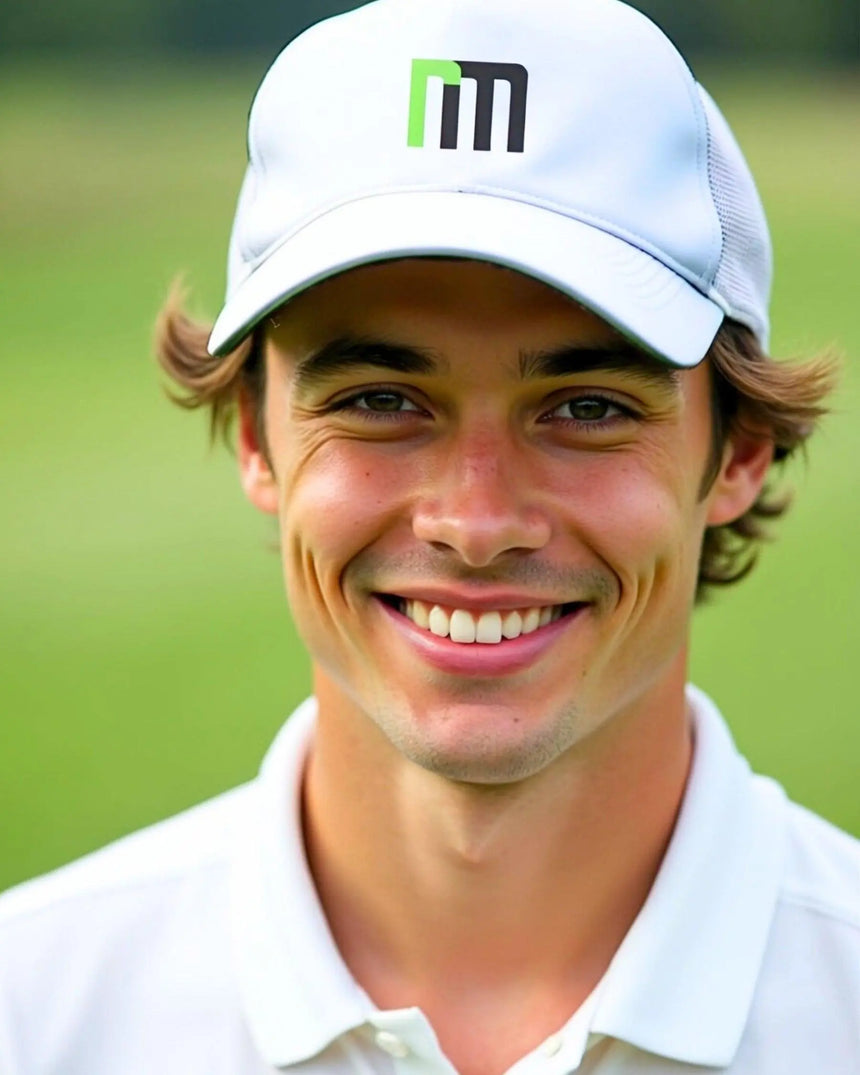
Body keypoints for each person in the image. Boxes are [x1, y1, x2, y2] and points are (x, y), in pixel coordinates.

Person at [1, 0, 857, 1071]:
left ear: (738, 452)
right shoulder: (34, 1008)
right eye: (377, 399)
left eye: (586, 406)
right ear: (253, 439)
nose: (476, 521)